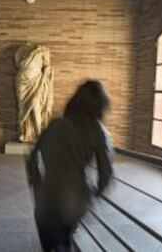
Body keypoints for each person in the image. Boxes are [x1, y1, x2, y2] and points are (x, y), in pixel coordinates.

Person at [26, 80, 114, 252]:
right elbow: (105, 174)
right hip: (74, 198)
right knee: (64, 240)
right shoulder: (99, 132)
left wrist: (36, 180)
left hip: (46, 194)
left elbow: (33, 156)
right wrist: (95, 194)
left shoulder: (55, 124)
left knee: (49, 242)